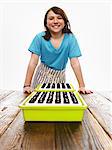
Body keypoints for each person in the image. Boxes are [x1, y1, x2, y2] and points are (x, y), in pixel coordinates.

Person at [23, 6, 93, 94]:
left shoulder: (70, 38)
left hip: (60, 77)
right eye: (51, 18)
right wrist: (27, 85)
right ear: (46, 23)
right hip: (41, 76)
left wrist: (82, 86)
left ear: (65, 22)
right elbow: (33, 62)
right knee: (40, 101)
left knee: (57, 101)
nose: (55, 21)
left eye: (59, 18)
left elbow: (75, 63)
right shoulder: (39, 38)